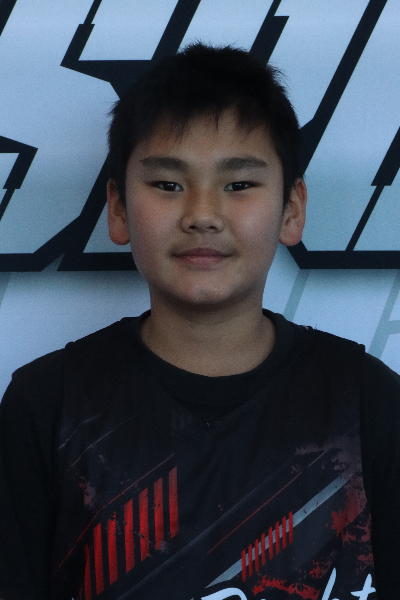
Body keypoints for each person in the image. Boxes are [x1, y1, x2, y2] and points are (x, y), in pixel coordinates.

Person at [0, 43, 398, 600]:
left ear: (292, 209)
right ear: (118, 208)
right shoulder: (47, 405)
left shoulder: (369, 403)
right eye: (168, 184)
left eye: (239, 185)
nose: (203, 215)